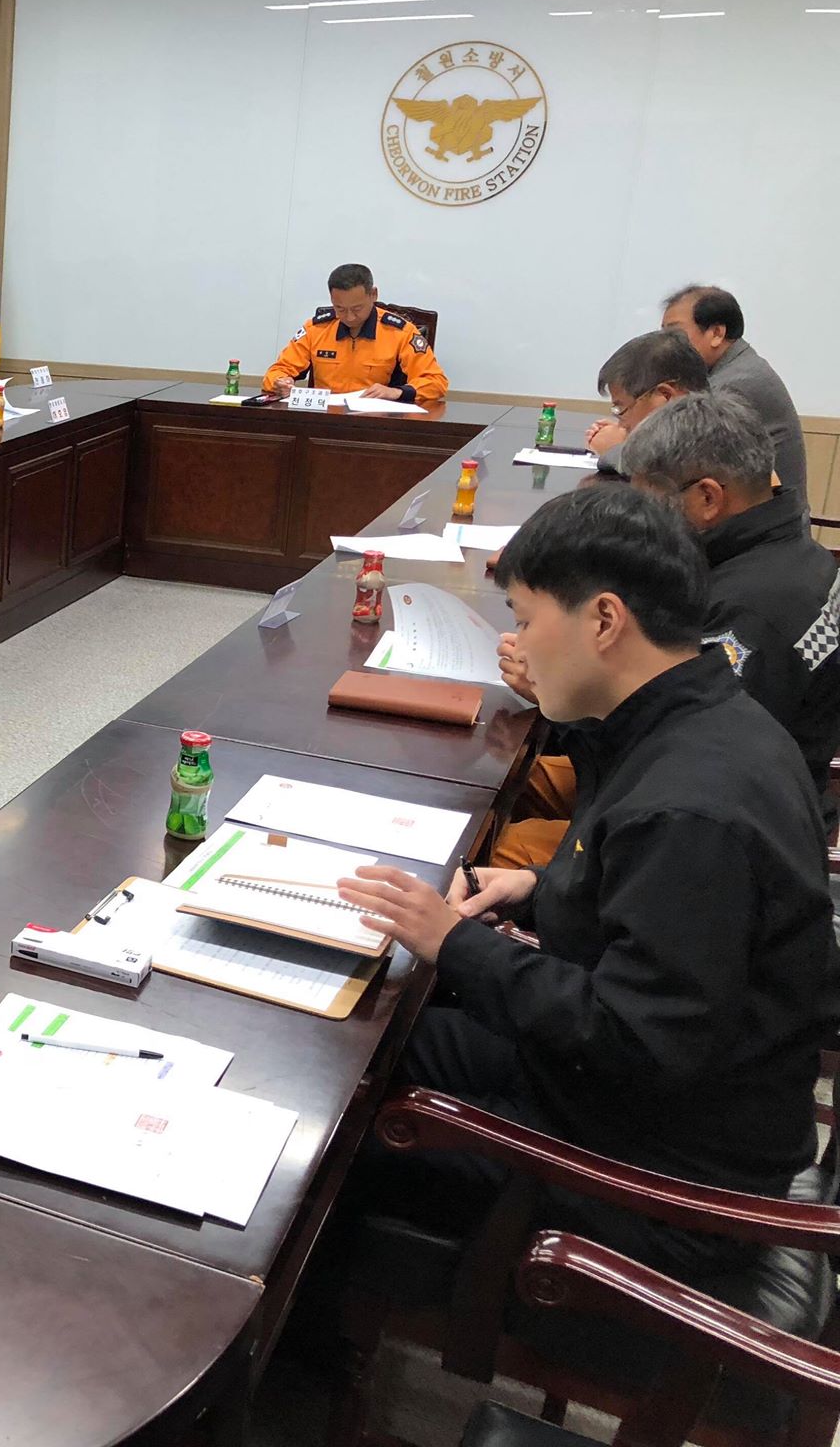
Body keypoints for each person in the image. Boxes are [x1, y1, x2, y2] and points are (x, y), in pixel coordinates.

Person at [339, 485, 838, 1281]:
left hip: (666, 1181)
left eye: (525, 619)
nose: (515, 644)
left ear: (604, 620)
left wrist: (456, 943)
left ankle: (314, 1338)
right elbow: (655, 928)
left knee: (333, 1141)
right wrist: (537, 890)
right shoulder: (694, 720)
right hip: (629, 1101)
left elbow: (634, 1041)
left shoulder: (689, 809)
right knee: (355, 1046)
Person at [495, 392, 837, 865]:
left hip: (714, 835)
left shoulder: (749, 613)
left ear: (707, 497)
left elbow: (681, 753)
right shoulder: (789, 554)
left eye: (650, 499)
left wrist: (554, 690)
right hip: (679, 777)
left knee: (501, 847)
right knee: (513, 779)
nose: (642, 515)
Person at [651, 284, 807, 501]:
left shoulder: (736, 384)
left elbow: (671, 458)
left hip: (763, 520)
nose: (666, 344)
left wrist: (615, 447)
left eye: (674, 333)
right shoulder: (733, 368)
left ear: (717, 333)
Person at [263, 263, 447, 406]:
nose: (349, 317)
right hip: (322, 419)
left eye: (357, 308)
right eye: (340, 309)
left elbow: (435, 382)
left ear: (373, 294)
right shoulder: (316, 329)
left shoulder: (400, 332)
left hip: (376, 423)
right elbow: (276, 372)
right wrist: (281, 382)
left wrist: (397, 392)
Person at [579, 328, 709, 468]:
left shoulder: (702, 444)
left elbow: (655, 467)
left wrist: (615, 449)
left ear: (666, 396)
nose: (622, 425)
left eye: (622, 409)